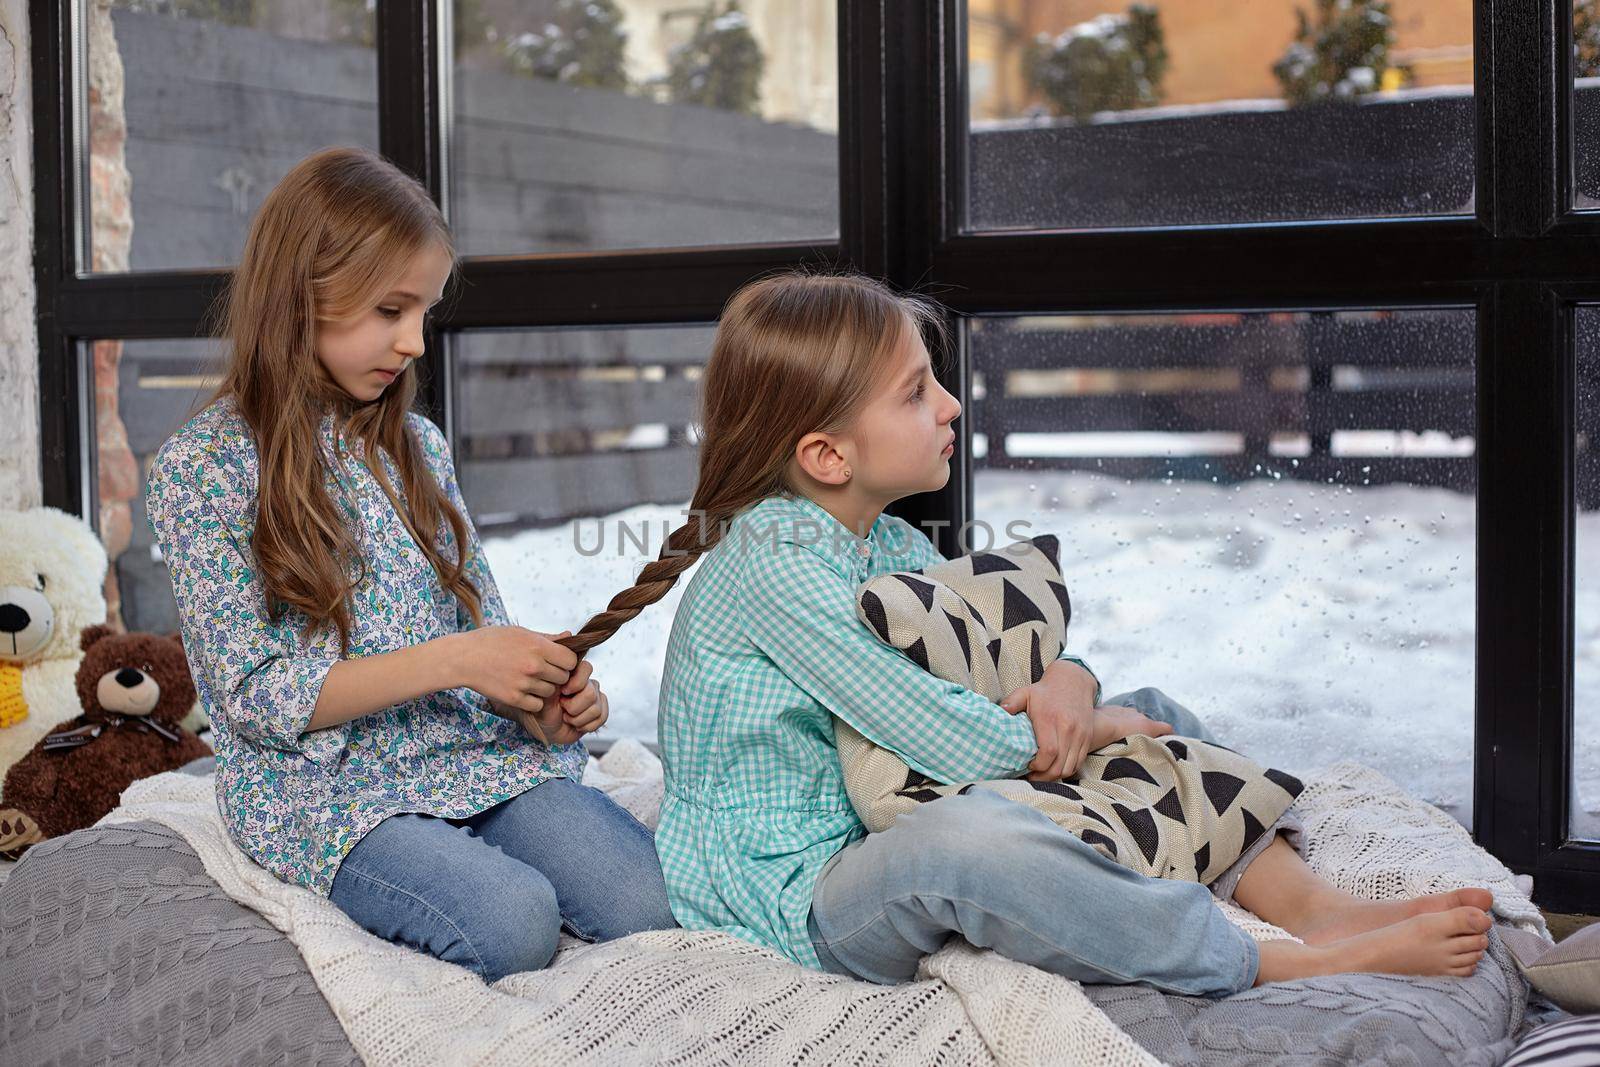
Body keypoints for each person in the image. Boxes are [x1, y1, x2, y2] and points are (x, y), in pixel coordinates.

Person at [551, 270, 1495, 997]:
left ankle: (1308, 906)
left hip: (886, 804)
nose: (952, 406)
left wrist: (1077, 687)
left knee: (1155, 712)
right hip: (795, 893)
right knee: (970, 843)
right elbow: (938, 727)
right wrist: (1073, 728)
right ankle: (1258, 964)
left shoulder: (887, 540)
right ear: (826, 454)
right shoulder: (775, 563)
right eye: (917, 394)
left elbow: (1013, 663)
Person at [145, 147, 676, 983]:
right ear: (300, 296)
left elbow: (481, 628)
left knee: (649, 899)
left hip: (466, 755)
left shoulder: (417, 449)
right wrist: (458, 660)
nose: (413, 341)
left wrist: (545, 702)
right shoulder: (201, 468)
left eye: (424, 311)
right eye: (391, 309)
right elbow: (251, 697)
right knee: (514, 921)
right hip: (322, 791)